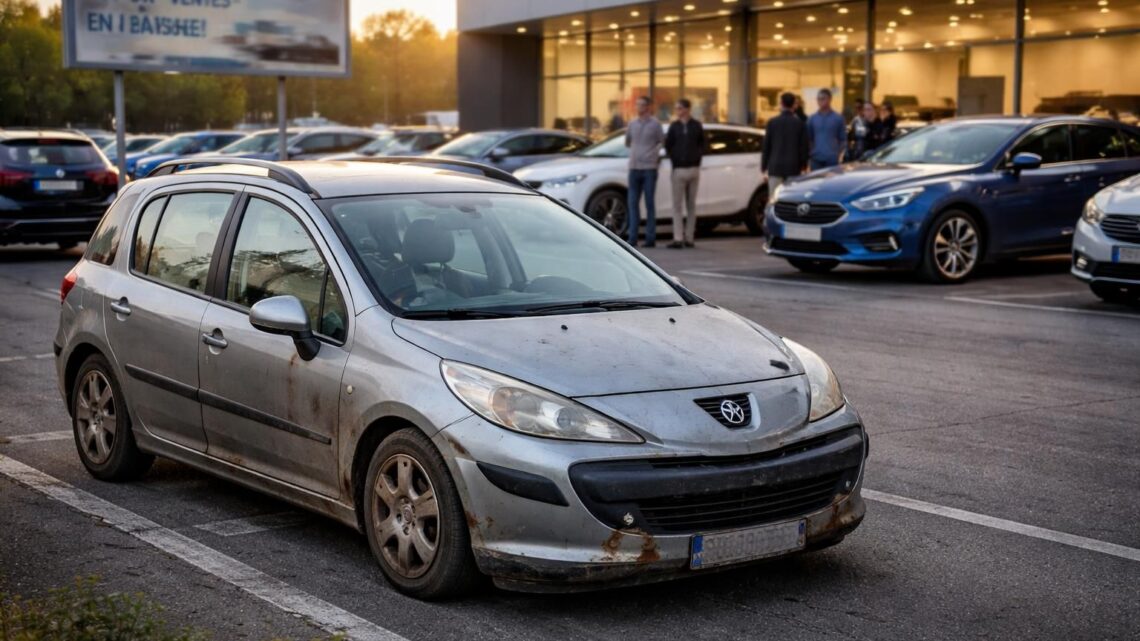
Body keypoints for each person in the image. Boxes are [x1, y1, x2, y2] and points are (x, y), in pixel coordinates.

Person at [664, 98, 706, 249]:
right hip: (679, 169)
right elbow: (668, 145)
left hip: (693, 169)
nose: (678, 111)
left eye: (680, 108)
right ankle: (678, 238)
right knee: (677, 205)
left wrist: (697, 159)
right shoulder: (674, 127)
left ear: (687, 109)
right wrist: (675, 161)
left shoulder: (696, 125)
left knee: (691, 205)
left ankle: (689, 238)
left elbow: (702, 144)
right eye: (676, 109)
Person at [625, 95, 664, 248]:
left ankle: (650, 238)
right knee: (632, 203)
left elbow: (662, 142)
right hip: (634, 168)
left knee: (649, 204)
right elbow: (628, 142)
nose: (638, 107)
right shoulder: (632, 123)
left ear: (648, 107)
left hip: (649, 169)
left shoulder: (655, 124)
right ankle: (632, 238)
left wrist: (654, 155)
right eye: (637, 105)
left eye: (641, 105)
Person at [762, 92, 809, 198]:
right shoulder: (799, 124)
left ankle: (774, 215)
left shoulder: (772, 122)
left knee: (774, 198)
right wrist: (804, 166)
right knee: (791, 198)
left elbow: (766, 146)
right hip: (793, 168)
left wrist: (764, 167)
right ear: (794, 105)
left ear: (781, 104)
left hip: (775, 167)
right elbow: (803, 147)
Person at [806, 88, 846, 170]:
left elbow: (843, 139)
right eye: (818, 99)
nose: (820, 101)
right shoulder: (812, 118)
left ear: (830, 99)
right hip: (816, 158)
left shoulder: (838, 118)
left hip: (832, 159)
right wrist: (811, 152)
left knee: (832, 182)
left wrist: (837, 153)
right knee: (815, 182)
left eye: (823, 98)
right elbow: (809, 138)